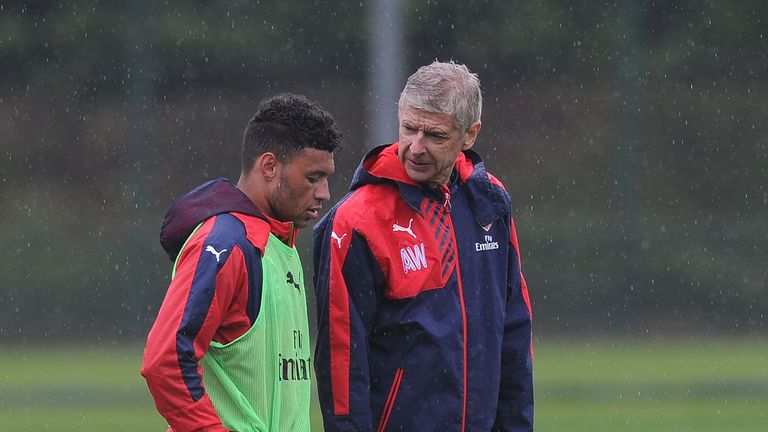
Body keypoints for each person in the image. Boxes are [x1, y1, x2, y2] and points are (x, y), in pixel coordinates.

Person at [313, 61, 534, 431]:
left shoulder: (491, 203)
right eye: (408, 128)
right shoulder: (356, 221)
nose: (415, 147)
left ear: (470, 134)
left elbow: (513, 333)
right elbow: (341, 361)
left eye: (434, 135)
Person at [141, 93, 342, 432]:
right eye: (313, 178)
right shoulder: (225, 243)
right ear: (269, 167)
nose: (324, 192)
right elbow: (165, 360)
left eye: (326, 178)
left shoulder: (283, 244)